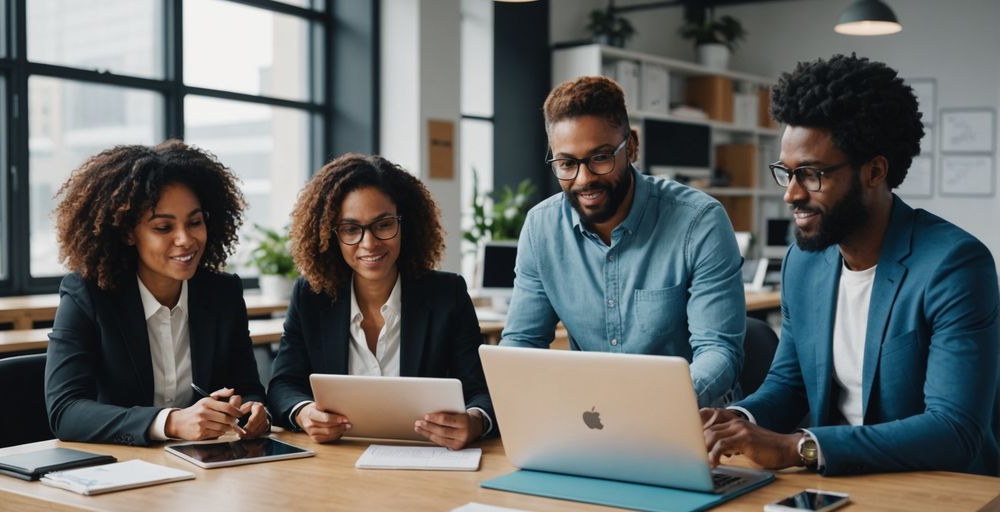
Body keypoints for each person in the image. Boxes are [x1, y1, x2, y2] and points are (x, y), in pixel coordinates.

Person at [701, 54, 999, 476]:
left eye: (811, 174)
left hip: (938, 487)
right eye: (786, 173)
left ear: (874, 171)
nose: (791, 194)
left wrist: (799, 448)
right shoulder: (803, 262)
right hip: (842, 484)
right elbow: (790, 385)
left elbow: (954, 430)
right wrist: (735, 421)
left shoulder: (954, 265)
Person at [499, 76, 745, 407]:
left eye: (600, 158)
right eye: (567, 164)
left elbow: (718, 350)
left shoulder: (698, 221)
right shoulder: (541, 228)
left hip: (692, 418)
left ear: (630, 146)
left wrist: (654, 406)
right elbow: (522, 343)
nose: (584, 179)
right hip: (593, 420)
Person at [46, 140, 269, 446]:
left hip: (203, 467)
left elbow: (248, 386)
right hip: (119, 469)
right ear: (128, 232)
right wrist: (172, 422)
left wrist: (251, 409)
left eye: (195, 222)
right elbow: (65, 411)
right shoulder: (88, 294)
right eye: (163, 228)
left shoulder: (222, 293)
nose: (185, 240)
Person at [267, 153, 495, 450]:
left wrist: (475, 421)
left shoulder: (446, 295)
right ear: (330, 235)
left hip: (427, 461)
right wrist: (304, 413)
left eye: (383, 225)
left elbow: (482, 390)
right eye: (351, 229)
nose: (369, 243)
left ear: (405, 224)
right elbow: (283, 385)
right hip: (337, 463)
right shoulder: (311, 297)